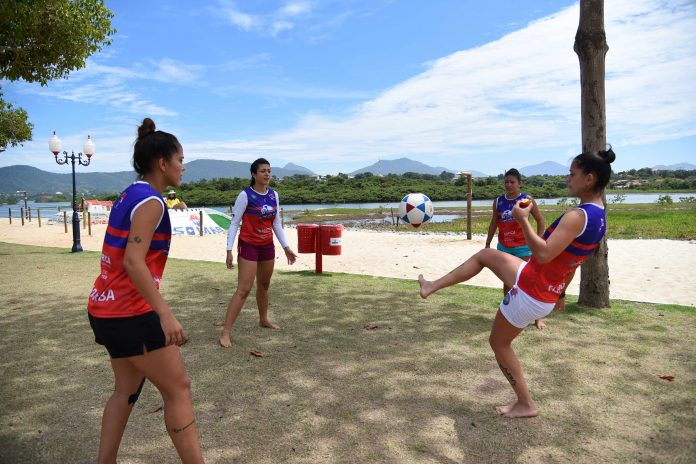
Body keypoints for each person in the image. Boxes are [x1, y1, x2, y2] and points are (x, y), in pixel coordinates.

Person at [418, 147, 615, 418]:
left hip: (532, 291)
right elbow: (571, 260)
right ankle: (431, 286)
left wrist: (523, 221)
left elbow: (544, 253)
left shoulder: (577, 216)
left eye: (572, 174)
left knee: (499, 343)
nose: (568, 179)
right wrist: (561, 294)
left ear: (589, 179)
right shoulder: (599, 217)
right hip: (540, 284)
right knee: (485, 255)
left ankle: (526, 403)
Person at [87, 118, 204, 463]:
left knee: (125, 390)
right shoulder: (151, 201)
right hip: (130, 313)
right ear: (162, 163)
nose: (183, 167)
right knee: (178, 388)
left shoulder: (130, 194)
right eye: (180, 160)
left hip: (105, 308)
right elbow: (134, 263)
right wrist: (164, 315)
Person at [219, 157, 298, 348]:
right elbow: (234, 223)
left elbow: (275, 224)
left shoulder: (273, 195)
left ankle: (264, 319)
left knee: (264, 285)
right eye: (263, 171)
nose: (267, 174)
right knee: (244, 289)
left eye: (269, 171)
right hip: (248, 246)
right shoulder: (245, 195)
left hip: (267, 246)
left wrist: (286, 247)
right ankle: (226, 333)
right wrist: (229, 250)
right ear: (254, 174)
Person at [485, 168, 546, 330]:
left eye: (512, 182)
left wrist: (538, 241)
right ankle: (509, 313)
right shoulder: (498, 201)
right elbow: (493, 223)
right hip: (504, 247)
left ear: (520, 184)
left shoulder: (526, 200)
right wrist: (487, 244)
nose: (509, 185)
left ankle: (537, 318)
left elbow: (540, 220)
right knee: (507, 282)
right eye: (506, 182)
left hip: (524, 247)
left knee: (529, 281)